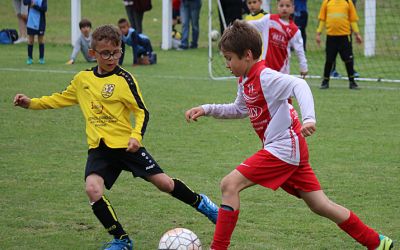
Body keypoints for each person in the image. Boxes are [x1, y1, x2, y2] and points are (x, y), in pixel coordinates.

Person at [185, 20, 393, 250]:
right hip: (288, 148)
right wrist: (207, 109)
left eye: (229, 58)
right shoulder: (245, 80)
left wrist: (309, 118)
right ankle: (377, 242)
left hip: (284, 147)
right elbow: (240, 109)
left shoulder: (265, 76)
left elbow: (300, 86)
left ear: (247, 55)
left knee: (229, 185)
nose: (227, 64)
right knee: (320, 204)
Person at [13, 24, 218, 250]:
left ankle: (204, 205)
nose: (112, 58)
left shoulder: (124, 79)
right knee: (92, 189)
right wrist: (31, 103)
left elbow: (142, 111)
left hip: (126, 146)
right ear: (93, 53)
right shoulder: (83, 80)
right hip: (100, 149)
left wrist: (136, 136)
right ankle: (122, 240)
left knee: (164, 183)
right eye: (106, 53)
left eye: (117, 52)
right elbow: (59, 98)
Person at [248, 0, 308, 78]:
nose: (284, 8)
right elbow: (253, 25)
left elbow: (300, 51)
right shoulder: (269, 19)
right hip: (265, 68)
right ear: (277, 7)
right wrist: (239, 24)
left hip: (282, 72)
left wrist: (303, 67)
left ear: (293, 8)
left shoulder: (295, 30)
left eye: (287, 6)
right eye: (281, 6)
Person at [316, 0, 362, 90]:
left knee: (348, 60)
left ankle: (352, 82)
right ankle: (325, 81)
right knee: (329, 60)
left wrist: (357, 34)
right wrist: (318, 33)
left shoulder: (348, 2)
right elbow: (322, 19)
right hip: (331, 37)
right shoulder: (327, 2)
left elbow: (353, 20)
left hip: (345, 37)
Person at [23, 0, 47, 65]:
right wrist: (30, 2)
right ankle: (30, 58)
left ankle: (41, 58)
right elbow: (25, 2)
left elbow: (44, 9)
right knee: (30, 40)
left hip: (40, 23)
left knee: (41, 41)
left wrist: (34, 6)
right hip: (31, 21)